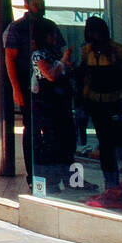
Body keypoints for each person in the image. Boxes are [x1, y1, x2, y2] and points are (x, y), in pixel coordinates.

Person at [4, 0, 66, 187]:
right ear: (27, 4)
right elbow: (10, 59)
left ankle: (54, 175)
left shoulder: (50, 26)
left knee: (53, 130)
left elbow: (60, 51)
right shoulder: (17, 28)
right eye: (36, 3)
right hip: (29, 85)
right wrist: (16, 88)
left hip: (53, 86)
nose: (40, 6)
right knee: (32, 129)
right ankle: (34, 176)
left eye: (41, 2)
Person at [79, 15, 122, 191]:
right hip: (96, 101)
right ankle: (111, 184)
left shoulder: (116, 49)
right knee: (105, 144)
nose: (95, 35)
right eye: (92, 32)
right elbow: (84, 76)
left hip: (115, 100)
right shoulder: (86, 50)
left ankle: (119, 182)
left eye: (98, 31)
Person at [31, 17, 76, 193]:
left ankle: (71, 179)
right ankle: (51, 182)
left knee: (67, 141)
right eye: (51, 35)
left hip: (61, 102)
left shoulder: (54, 53)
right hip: (47, 104)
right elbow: (50, 75)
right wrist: (63, 61)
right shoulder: (39, 55)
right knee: (52, 141)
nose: (55, 38)